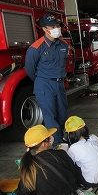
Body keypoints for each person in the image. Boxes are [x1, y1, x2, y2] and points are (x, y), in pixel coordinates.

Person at [25, 14, 69, 147]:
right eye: (52, 26)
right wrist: (42, 81)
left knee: (62, 114)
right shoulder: (36, 48)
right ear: (44, 29)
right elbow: (30, 69)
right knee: (50, 116)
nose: (56, 28)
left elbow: (64, 64)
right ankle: (57, 145)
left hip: (59, 84)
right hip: (44, 84)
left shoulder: (63, 45)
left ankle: (61, 139)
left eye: (57, 26)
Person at [15, 125, 78, 195]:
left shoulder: (29, 166)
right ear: (44, 144)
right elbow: (73, 173)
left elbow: (22, 194)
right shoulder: (61, 154)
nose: (51, 139)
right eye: (49, 138)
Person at [65, 116, 98, 189]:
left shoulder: (74, 148)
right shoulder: (93, 137)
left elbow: (69, 164)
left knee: (72, 166)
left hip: (90, 181)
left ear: (70, 135)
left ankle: (83, 185)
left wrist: (66, 151)